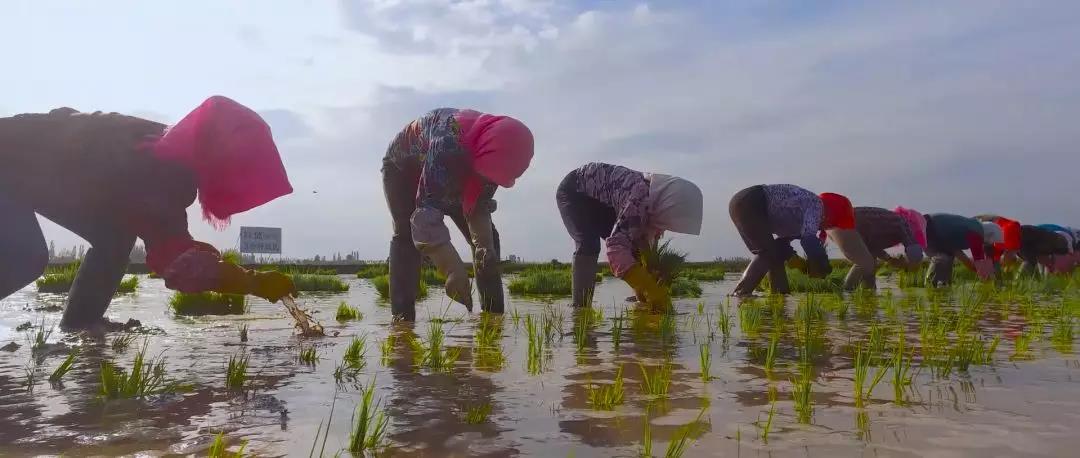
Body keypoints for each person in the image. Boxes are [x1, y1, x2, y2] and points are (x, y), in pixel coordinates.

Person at [0, 96, 296, 330]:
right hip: (10, 164)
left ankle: (81, 326)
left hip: (33, 172)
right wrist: (253, 282)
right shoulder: (160, 170)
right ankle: (81, 323)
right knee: (26, 257)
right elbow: (177, 264)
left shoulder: (164, 147)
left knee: (114, 238)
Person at [382, 108, 533, 320]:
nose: (490, 182)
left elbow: (478, 205)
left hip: (460, 165)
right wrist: (451, 269)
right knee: (406, 234)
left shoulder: (498, 159)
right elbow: (425, 216)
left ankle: (492, 318)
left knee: (488, 244)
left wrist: (483, 246)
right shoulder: (448, 144)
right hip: (403, 168)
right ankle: (402, 322)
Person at [556, 162, 703, 309]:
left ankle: (642, 301)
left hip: (603, 203)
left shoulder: (655, 208)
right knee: (589, 243)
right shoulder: (639, 198)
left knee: (634, 246)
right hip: (575, 192)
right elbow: (616, 251)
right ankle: (580, 309)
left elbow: (644, 245)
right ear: (670, 206)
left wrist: (652, 274)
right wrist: (652, 289)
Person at [728, 185, 874, 296]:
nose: (827, 228)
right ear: (830, 214)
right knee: (767, 253)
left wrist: (799, 264)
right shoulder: (816, 205)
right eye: (832, 224)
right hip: (752, 201)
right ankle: (741, 294)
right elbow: (809, 240)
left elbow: (782, 246)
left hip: (743, 203)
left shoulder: (798, 218)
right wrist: (821, 264)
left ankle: (780, 296)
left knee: (774, 254)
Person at [922, 213, 1001, 286]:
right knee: (943, 257)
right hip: (931, 228)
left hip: (928, 225)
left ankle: (937, 285)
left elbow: (955, 250)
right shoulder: (975, 232)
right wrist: (987, 277)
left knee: (945, 256)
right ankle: (936, 286)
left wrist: (976, 268)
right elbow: (981, 266)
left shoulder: (968, 225)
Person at [853, 206, 926, 272]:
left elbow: (872, 247)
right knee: (866, 261)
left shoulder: (890, 223)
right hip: (855, 219)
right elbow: (914, 252)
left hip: (852, 217)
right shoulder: (902, 222)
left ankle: (863, 282)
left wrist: (889, 259)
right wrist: (911, 266)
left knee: (866, 261)